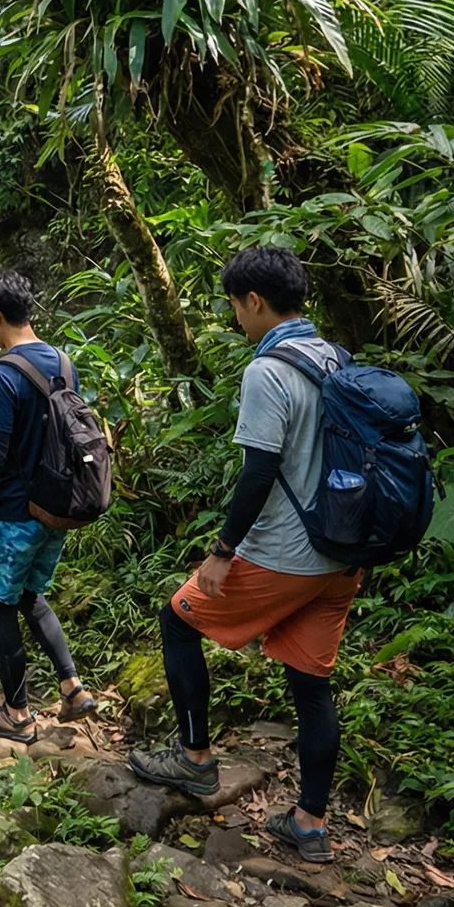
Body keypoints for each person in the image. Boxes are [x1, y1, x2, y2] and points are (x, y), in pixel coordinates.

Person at [128, 245, 357, 865]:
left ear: (254, 301)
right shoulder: (336, 357)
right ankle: (310, 823)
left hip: (285, 553)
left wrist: (223, 551)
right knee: (312, 687)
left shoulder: (269, 371)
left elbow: (258, 472)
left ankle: (196, 759)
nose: (235, 315)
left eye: (233, 304)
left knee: (178, 618)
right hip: (343, 554)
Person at [0, 270, 99, 741]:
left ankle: (17, 715)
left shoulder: (3, 374)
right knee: (31, 597)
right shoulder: (62, 361)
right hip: (55, 508)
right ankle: (72, 687)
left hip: (12, 513)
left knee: (0, 606)